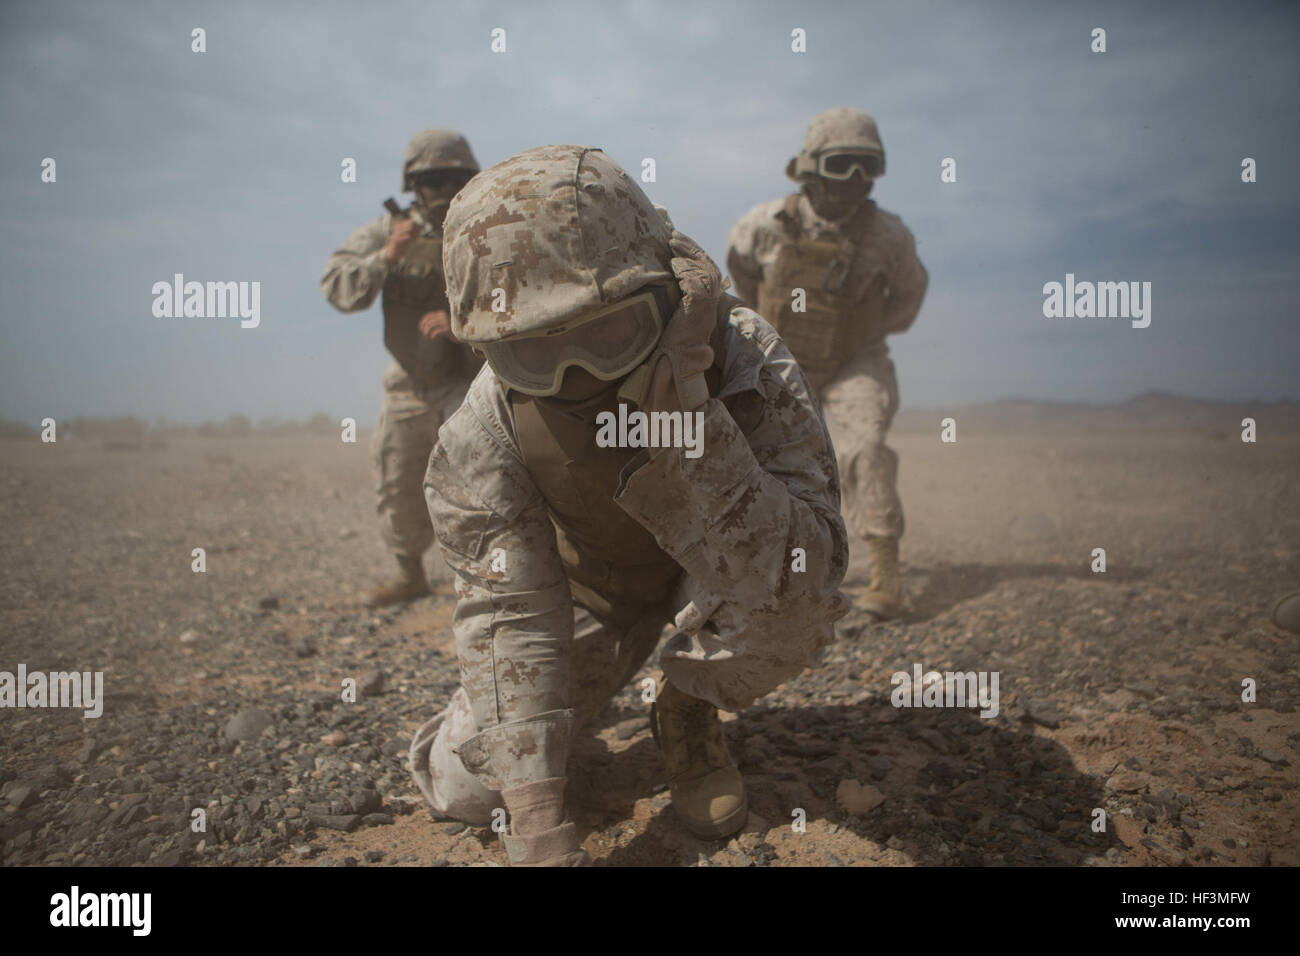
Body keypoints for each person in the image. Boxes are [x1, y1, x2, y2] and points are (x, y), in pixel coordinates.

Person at [407, 144, 850, 866]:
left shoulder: (740, 356)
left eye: (609, 333)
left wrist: (698, 430)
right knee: (466, 789)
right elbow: (508, 613)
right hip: (589, 598)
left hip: (711, 583)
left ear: (664, 297)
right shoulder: (484, 428)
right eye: (536, 353)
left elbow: (812, 567)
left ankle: (687, 703)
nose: (578, 377)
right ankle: (560, 723)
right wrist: (539, 824)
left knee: (799, 610)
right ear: (492, 348)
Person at [727, 108, 928, 620]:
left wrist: (858, 329)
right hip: (783, 361)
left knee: (866, 447)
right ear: (812, 167)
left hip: (856, 361)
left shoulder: (889, 236)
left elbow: (908, 297)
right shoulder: (763, 226)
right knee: (763, 463)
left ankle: (885, 573)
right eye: (843, 165)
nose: (855, 181)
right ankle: (771, 576)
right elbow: (740, 283)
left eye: (868, 167)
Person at [320, 130, 484, 607]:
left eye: (453, 177)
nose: (442, 188)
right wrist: (387, 256)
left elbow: (526, 295)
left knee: (493, 480)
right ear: (411, 183)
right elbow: (337, 287)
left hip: (477, 381)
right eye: (432, 179)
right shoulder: (387, 232)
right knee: (399, 482)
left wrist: (465, 325)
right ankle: (410, 574)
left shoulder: (487, 227)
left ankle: (496, 579)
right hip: (411, 381)